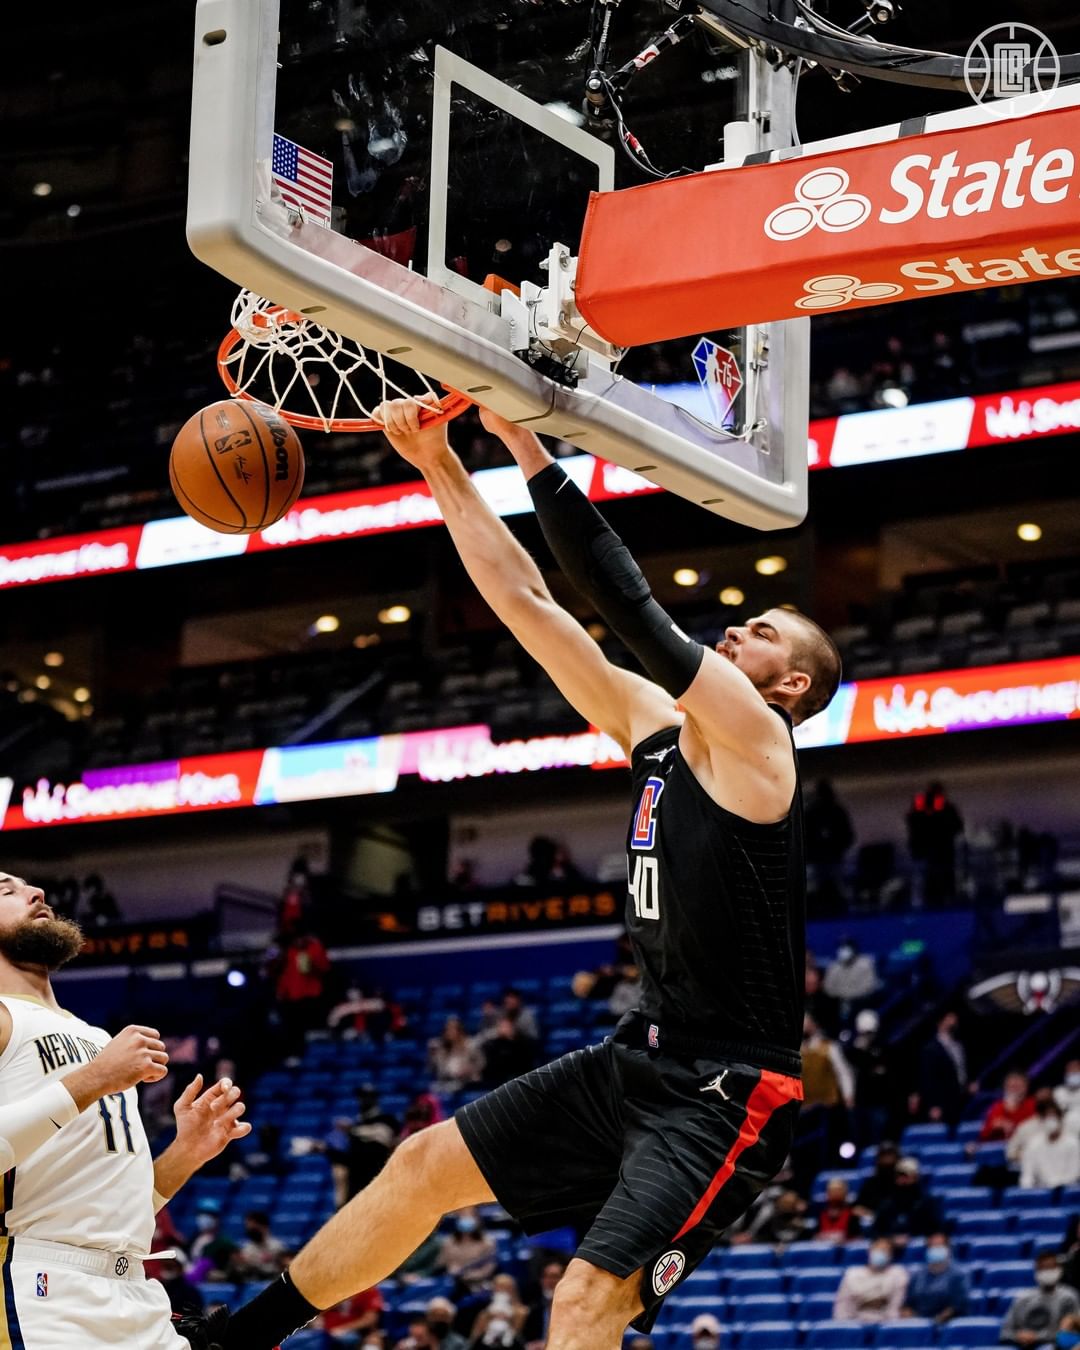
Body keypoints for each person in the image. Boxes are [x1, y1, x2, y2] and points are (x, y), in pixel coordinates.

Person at [196, 399, 841, 1350]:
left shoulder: (760, 744)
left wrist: (523, 435)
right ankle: (240, 1338)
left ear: (790, 686)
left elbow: (628, 604)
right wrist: (440, 464)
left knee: (585, 1300)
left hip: (726, 1093)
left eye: (761, 634)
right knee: (420, 1168)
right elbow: (531, 606)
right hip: (642, 1056)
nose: (738, 632)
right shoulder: (660, 730)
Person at [0, 871, 250, 1347]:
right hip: (38, 1289)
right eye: (5, 891)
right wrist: (95, 1078)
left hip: (133, 1287)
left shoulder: (97, 1038)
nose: (36, 893)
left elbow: (113, 1209)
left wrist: (187, 1152)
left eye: (29, 886)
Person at [1000, 1250, 1080, 1347]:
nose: (1047, 1272)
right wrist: (1017, 1336)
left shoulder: (1069, 1297)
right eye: (1043, 1268)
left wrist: (1037, 1337)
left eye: (1051, 1268)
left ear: (1059, 1269)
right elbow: (1005, 1332)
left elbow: (1072, 1332)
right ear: (1036, 1272)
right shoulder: (1022, 1298)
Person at [906, 782, 964, 906]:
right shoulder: (920, 808)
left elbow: (957, 827)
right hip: (926, 855)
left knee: (944, 882)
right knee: (928, 881)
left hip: (943, 855)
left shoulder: (946, 808)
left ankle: (946, 902)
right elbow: (913, 824)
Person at [803, 779, 854, 912]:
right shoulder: (812, 813)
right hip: (817, 860)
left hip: (833, 858)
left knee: (837, 887)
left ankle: (839, 911)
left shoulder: (837, 812)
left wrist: (838, 848)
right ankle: (821, 911)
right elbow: (804, 835)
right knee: (817, 888)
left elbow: (847, 835)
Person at [912, 1009, 970, 1124]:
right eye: (949, 1019)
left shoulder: (959, 1045)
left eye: (954, 1019)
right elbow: (928, 1079)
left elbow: (962, 1069)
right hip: (943, 1103)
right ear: (940, 1022)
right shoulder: (930, 1049)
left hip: (961, 1098)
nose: (953, 1022)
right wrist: (934, 1105)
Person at [833, 1238, 909, 1322]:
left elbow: (895, 1307)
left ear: (890, 1255)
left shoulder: (898, 1274)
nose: (880, 1253)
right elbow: (842, 1307)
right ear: (870, 1251)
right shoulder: (852, 1274)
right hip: (854, 1324)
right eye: (877, 1249)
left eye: (885, 1250)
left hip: (885, 1324)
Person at [871, 1157, 942, 1245]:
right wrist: (891, 1238)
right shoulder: (887, 1203)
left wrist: (920, 1237)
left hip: (922, 1241)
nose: (902, 1180)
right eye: (899, 1175)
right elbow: (877, 1229)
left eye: (906, 1176)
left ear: (916, 1177)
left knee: (938, 1241)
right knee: (880, 1246)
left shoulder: (927, 1201)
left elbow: (936, 1227)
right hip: (891, 1243)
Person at [901, 1233, 969, 1324]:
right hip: (919, 1325)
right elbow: (908, 1304)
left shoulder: (958, 1275)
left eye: (939, 1246)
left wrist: (935, 1322)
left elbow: (958, 1305)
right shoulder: (917, 1276)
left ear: (948, 1249)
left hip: (948, 1324)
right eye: (932, 1246)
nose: (935, 1249)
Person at [1020, 1101, 1080, 1189]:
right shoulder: (1033, 1144)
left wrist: (1057, 1186)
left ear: (1060, 1119)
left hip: (1066, 1191)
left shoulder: (1073, 1143)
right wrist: (1028, 1189)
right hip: (1041, 1193)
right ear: (1042, 1121)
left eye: (1053, 1117)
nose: (1051, 1121)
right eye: (1047, 1118)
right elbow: (1027, 1175)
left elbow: (1074, 1174)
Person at [228, 1210, 288, 1282]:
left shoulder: (277, 1246)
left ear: (264, 1227)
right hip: (252, 1281)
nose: (250, 1231)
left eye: (253, 1228)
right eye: (248, 1228)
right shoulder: (247, 1248)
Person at [429, 1016, 484, 1093]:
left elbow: (481, 1062)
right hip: (446, 1081)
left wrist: (470, 1069)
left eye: (452, 1030)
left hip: (466, 1081)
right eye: (447, 1030)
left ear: (459, 1031)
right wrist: (433, 1056)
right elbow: (438, 1069)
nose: (449, 1033)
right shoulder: (442, 1047)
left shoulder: (470, 1045)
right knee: (433, 1088)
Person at [823, 937, 880, 1010]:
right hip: (838, 1003)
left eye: (846, 947)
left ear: (854, 949)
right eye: (841, 948)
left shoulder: (866, 963)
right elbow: (828, 989)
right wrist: (844, 995)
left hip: (862, 1003)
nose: (843, 951)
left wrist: (846, 994)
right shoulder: (833, 967)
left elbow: (868, 988)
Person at [981, 1071, 1037, 1142]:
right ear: (1005, 1087)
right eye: (1012, 1087)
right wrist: (996, 1125)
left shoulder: (1034, 1104)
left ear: (1026, 1087)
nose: (1015, 1091)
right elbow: (983, 1136)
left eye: (1018, 1086)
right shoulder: (997, 1107)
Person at [853, 1142, 900, 1223]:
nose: (887, 1160)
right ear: (878, 1159)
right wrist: (874, 1216)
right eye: (884, 1156)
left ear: (897, 1159)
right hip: (874, 1226)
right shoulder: (870, 1184)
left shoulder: (903, 1184)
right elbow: (856, 1208)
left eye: (890, 1155)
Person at [816, 1177, 859, 1242]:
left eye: (839, 1190)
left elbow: (858, 1241)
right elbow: (815, 1238)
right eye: (832, 1190)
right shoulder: (819, 1214)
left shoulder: (853, 1215)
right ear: (827, 1193)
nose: (835, 1193)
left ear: (846, 1192)